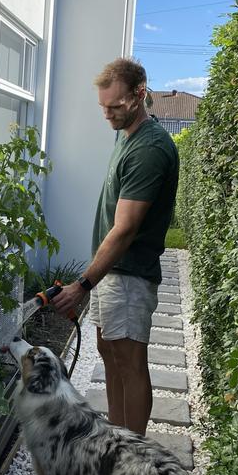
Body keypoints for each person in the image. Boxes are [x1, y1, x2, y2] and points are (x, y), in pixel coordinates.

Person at [51, 58, 179, 436]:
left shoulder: (149, 148)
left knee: (130, 362)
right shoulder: (125, 133)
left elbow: (124, 230)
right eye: (103, 107)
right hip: (113, 272)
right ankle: (117, 439)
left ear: (140, 95)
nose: (107, 114)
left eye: (116, 106)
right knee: (108, 353)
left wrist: (82, 285)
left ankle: (133, 456)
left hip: (129, 274)